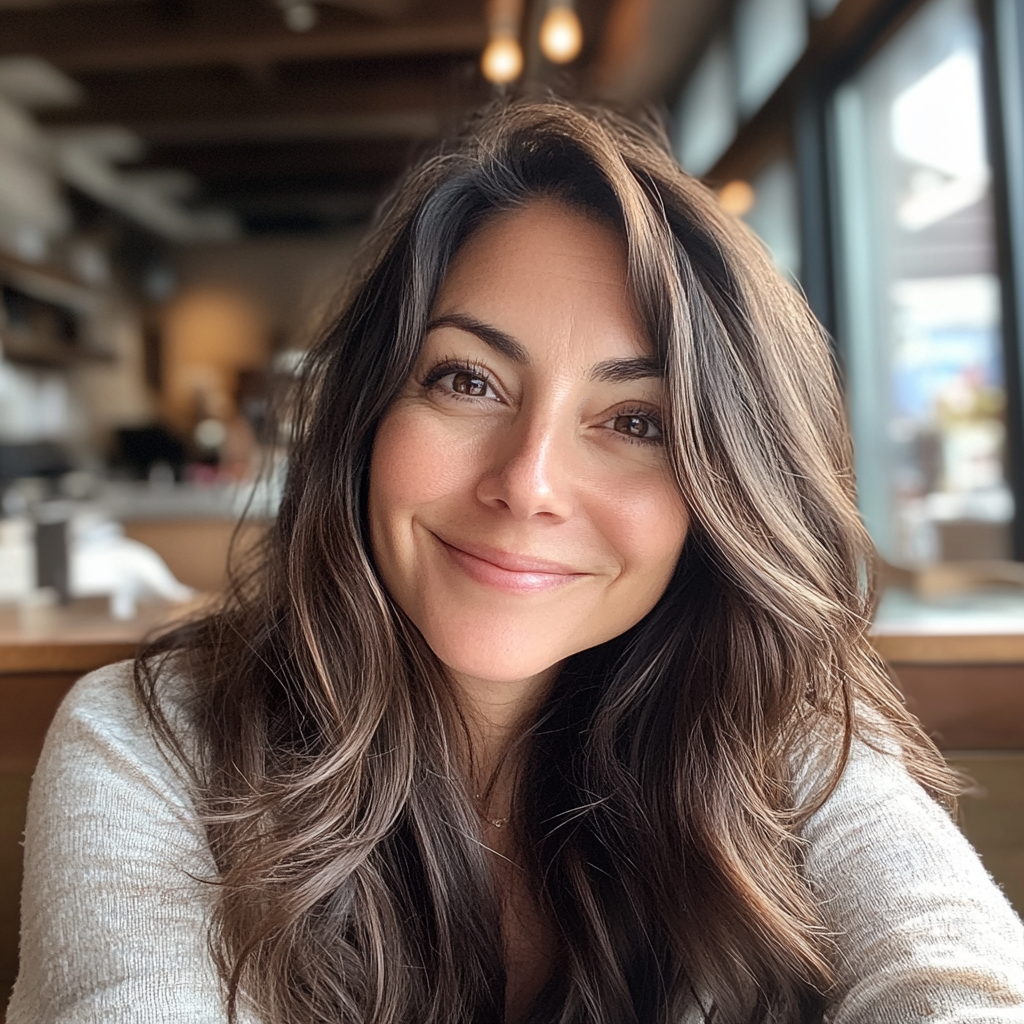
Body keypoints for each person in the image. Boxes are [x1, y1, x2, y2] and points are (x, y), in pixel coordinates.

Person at [8, 100, 1024, 1024]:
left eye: (635, 419)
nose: (528, 482)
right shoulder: (154, 742)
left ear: (722, 487)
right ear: (366, 414)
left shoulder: (785, 742)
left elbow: (952, 980)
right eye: (467, 379)